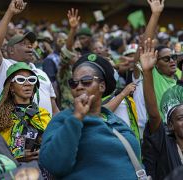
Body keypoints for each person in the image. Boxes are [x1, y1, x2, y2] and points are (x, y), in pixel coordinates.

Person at [39, 53, 141, 179]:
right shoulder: (62, 120)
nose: (79, 87)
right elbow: (53, 165)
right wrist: (76, 118)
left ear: (102, 86)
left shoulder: (117, 122)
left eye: (86, 81)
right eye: (73, 83)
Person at [0, 0, 59, 116]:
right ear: (10, 50)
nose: (30, 45)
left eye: (30, 43)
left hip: (44, 132)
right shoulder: (3, 67)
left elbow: (54, 108)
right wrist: (10, 12)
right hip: (11, 131)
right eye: (23, 43)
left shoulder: (41, 73)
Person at [140, 39, 183, 180]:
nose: (172, 61)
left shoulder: (176, 80)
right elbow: (154, 115)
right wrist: (147, 71)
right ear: (170, 124)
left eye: (174, 58)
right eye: (180, 118)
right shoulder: (165, 142)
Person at [0, 62, 51, 162]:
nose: (27, 83)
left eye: (31, 80)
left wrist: (44, 151)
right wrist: (17, 156)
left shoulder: (42, 114)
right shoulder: (0, 117)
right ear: (11, 87)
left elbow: (54, 143)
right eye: (20, 79)